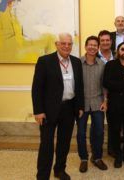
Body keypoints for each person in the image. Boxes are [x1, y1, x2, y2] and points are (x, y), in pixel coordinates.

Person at [32, 33, 84, 180]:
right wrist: (38, 111)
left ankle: (59, 170)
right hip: (49, 111)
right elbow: (37, 88)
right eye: (63, 43)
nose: (66, 46)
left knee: (64, 143)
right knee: (46, 145)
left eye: (69, 44)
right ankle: (43, 175)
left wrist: (80, 106)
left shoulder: (76, 62)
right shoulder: (45, 61)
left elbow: (79, 86)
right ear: (57, 44)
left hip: (69, 109)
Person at [77, 36, 108, 173]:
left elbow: (104, 86)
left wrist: (106, 101)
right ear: (85, 46)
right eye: (90, 45)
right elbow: (74, 85)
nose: (92, 47)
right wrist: (76, 105)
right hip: (81, 105)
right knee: (81, 133)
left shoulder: (102, 64)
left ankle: (97, 157)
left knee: (99, 132)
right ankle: (84, 159)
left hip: (98, 103)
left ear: (98, 47)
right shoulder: (77, 63)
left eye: (95, 45)